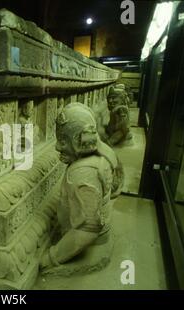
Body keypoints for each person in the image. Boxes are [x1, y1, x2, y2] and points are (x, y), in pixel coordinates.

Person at [40, 103, 123, 271]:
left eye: (63, 141)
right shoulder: (103, 152)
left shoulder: (83, 174)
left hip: (92, 240)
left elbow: (88, 230)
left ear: (81, 140)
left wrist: (52, 257)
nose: (57, 147)